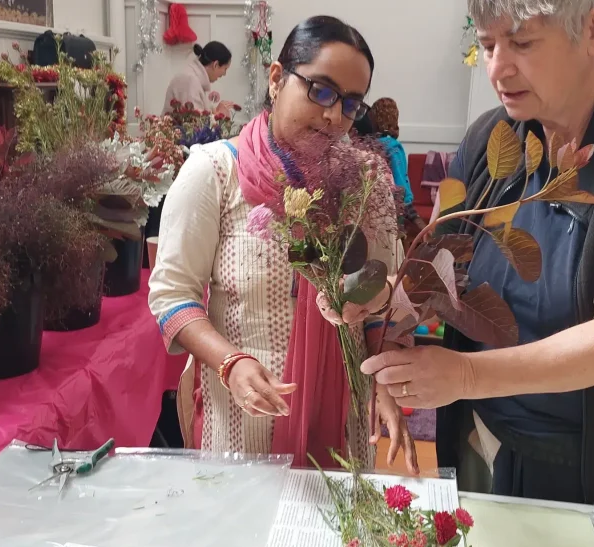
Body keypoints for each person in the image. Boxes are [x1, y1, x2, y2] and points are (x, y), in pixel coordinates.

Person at [359, 0, 594, 515]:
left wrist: (466, 376)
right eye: (487, 44)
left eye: (521, 43)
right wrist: (382, 293)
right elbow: (442, 268)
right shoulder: (490, 139)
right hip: (486, 441)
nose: (498, 67)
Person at [149, 16, 418, 473]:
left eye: (350, 103)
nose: (334, 115)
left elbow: (381, 301)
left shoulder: (366, 181)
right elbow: (172, 297)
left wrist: (384, 382)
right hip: (243, 420)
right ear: (277, 79)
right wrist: (230, 363)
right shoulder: (215, 173)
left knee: (331, 538)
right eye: (321, 90)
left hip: (342, 415)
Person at [163, 42, 235, 116]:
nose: (224, 74)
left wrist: (215, 112)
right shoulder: (190, 80)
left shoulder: (195, 78)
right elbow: (193, 123)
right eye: (225, 69)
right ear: (216, 65)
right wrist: (219, 114)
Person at [369, 98, 412, 208]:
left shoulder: (369, 144)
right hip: (395, 205)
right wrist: (408, 204)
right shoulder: (393, 147)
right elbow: (400, 178)